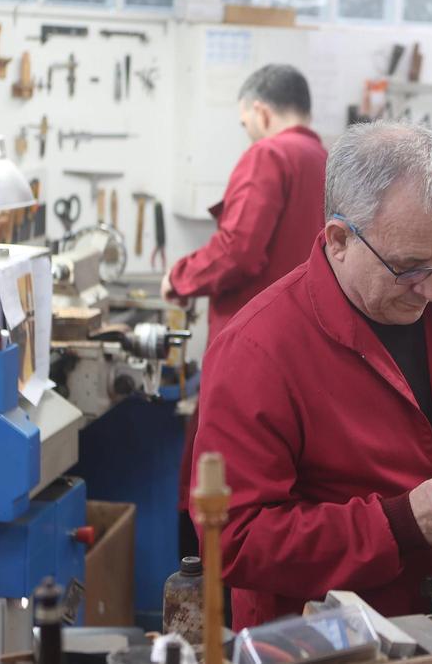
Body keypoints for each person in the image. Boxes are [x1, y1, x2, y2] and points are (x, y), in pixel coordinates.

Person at [189, 121, 432, 630]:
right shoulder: (257, 351)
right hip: (318, 642)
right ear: (339, 240)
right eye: (409, 268)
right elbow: (231, 538)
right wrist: (399, 526)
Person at [161, 64, 327, 556]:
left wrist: (180, 277)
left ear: (259, 109)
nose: (247, 131)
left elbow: (239, 251)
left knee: (217, 483)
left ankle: (209, 614)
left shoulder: (268, 154)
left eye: (245, 121)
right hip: (309, 347)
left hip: (249, 352)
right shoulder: (326, 159)